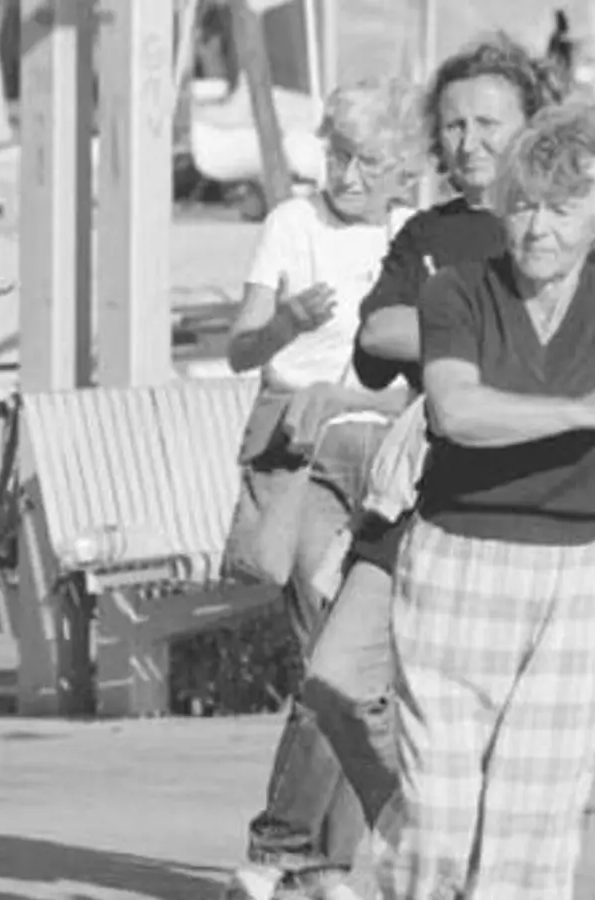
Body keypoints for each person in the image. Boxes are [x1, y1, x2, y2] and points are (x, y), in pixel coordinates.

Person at [386, 102, 595, 900]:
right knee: (435, 813)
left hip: (578, 572)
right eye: (525, 205)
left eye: (562, 209)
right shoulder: (458, 293)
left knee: (535, 823)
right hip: (457, 562)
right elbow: (457, 413)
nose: (538, 228)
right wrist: (587, 409)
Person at [220, 78, 418, 900]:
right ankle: (291, 853)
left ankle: (315, 861)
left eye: (367, 159)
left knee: (354, 670)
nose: (347, 174)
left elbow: (427, 376)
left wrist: (361, 400)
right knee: (326, 656)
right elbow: (240, 350)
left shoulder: (412, 237)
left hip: (387, 453)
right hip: (302, 453)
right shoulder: (291, 224)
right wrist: (286, 325)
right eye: (337, 153)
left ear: (400, 167)